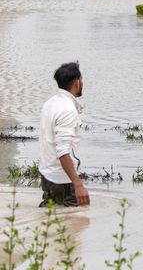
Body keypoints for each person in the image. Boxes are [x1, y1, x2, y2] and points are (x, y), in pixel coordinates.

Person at [38, 62, 89, 208]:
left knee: (53, 223)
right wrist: (78, 184)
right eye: (82, 79)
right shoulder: (67, 110)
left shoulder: (50, 104)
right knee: (76, 224)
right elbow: (63, 151)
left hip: (47, 175)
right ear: (77, 83)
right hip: (63, 180)